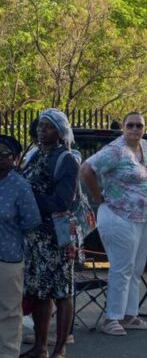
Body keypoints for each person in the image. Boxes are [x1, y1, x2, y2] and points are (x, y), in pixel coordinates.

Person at [80, 112, 147, 336]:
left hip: (144, 217)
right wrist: (97, 196)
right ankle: (112, 317)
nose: (135, 129)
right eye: (130, 125)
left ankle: (129, 314)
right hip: (118, 216)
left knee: (136, 269)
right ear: (123, 127)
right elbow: (86, 170)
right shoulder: (115, 150)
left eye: (139, 125)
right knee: (122, 269)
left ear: (145, 127)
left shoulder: (146, 145)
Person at [20, 109, 79, 358]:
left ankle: (59, 348)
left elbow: (62, 202)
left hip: (56, 236)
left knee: (61, 291)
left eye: (48, 127)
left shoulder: (66, 159)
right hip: (35, 236)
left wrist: (30, 199)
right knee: (39, 291)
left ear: (60, 131)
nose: (42, 131)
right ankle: (40, 347)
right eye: (40, 127)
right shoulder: (34, 156)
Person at [0, 135, 40, 356]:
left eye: (3, 153)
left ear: (14, 158)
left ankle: (7, 353)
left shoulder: (19, 185)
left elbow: (31, 221)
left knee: (9, 311)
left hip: (8, 257)